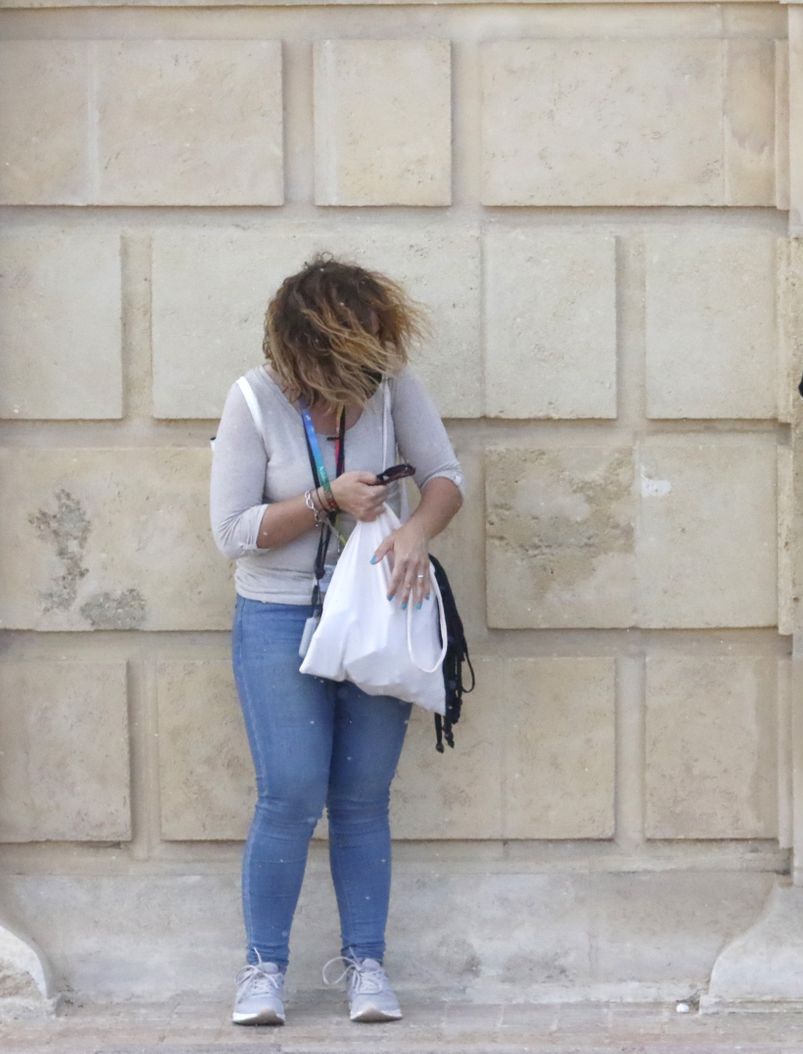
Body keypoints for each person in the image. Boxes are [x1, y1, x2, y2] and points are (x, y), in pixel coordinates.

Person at [209, 256, 464, 1027]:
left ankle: (367, 966)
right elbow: (234, 533)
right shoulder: (253, 400)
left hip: (376, 611)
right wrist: (325, 499)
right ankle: (264, 971)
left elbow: (445, 475)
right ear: (299, 351)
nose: (341, 384)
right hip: (278, 617)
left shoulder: (392, 391)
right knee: (288, 794)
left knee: (361, 800)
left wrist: (417, 532)